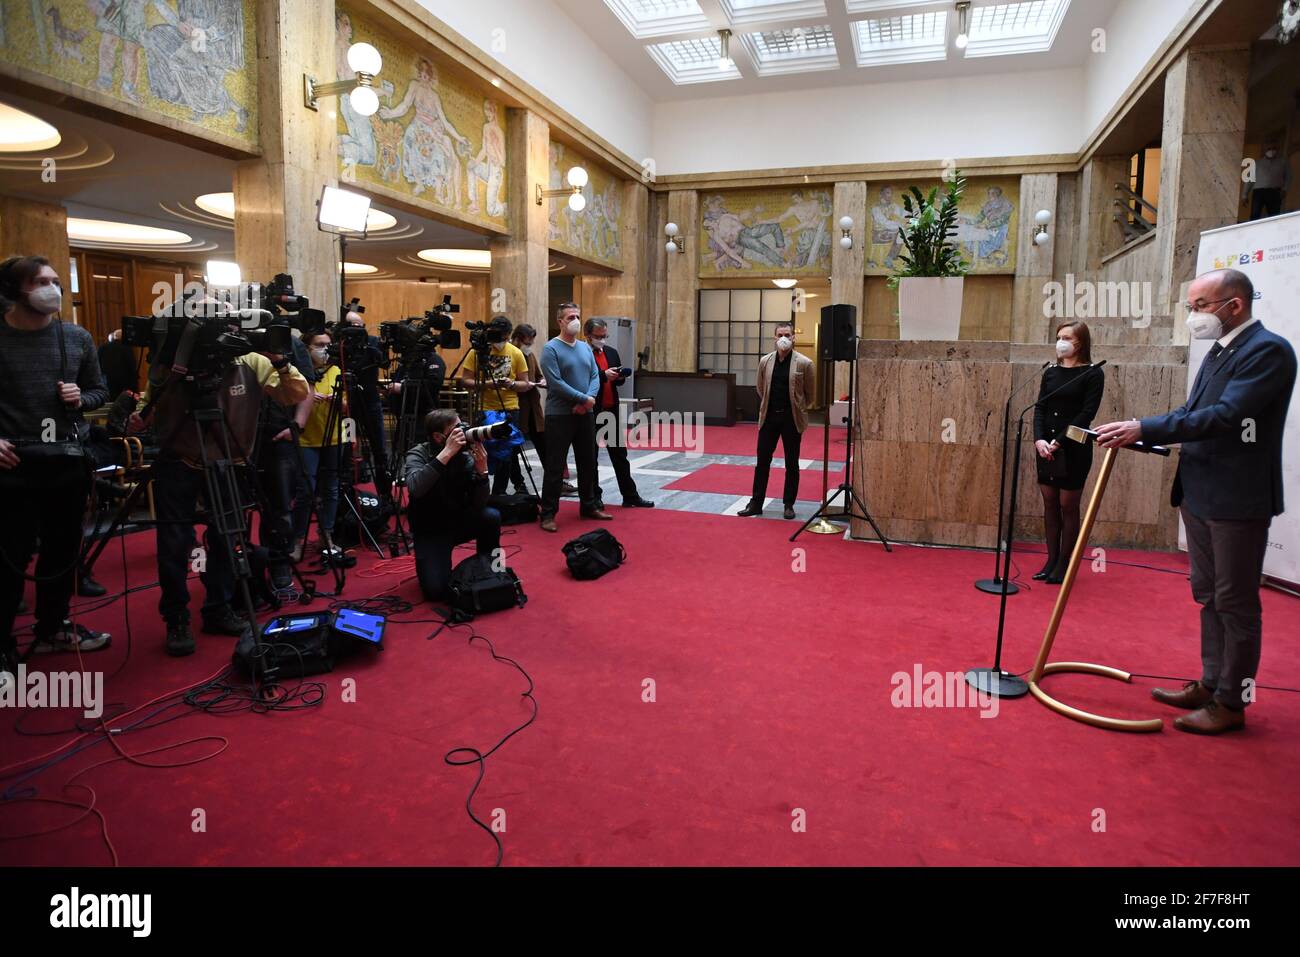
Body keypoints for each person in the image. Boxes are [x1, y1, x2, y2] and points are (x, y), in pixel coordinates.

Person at [1097, 268, 1297, 735]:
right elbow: (1190, 414)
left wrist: (1146, 428)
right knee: (1209, 597)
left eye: (1200, 306)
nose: (1193, 316)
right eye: (1191, 306)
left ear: (1235, 306)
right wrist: (1139, 428)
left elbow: (1227, 417)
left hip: (1237, 499)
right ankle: (1211, 683)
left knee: (1236, 604)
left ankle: (1232, 703)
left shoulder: (1268, 351)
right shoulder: (1219, 350)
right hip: (1201, 493)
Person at [129, 306, 309, 657]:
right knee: (175, 542)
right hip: (179, 459)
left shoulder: (252, 360)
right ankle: (176, 617)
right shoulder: (174, 359)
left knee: (229, 538)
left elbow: (295, 394)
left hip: (230, 459)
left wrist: (281, 361)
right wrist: (145, 411)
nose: (227, 329)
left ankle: (219, 607)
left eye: (230, 321)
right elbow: (150, 408)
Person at [0, 256, 111, 689]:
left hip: (66, 461)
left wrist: (81, 398)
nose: (52, 289)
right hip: (13, 465)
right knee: (10, 556)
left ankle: (52, 627)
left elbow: (100, 391)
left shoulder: (76, 337)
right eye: (41, 282)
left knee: (64, 552)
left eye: (55, 281)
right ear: (15, 290)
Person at [1032, 321, 1104, 584]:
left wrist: (1059, 442)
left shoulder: (1093, 373)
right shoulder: (1050, 372)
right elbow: (1040, 408)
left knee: (1067, 505)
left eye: (1066, 337)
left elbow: (1086, 415)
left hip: (1074, 445)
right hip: (1045, 447)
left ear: (1080, 343)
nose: (1060, 341)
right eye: (1058, 337)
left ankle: (1065, 564)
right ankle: (1050, 560)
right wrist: (1039, 440)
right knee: (1049, 504)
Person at [405, 410, 502, 602]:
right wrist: (447, 453)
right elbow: (415, 487)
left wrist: (483, 473)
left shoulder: (464, 457)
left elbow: (479, 504)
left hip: (458, 521)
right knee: (435, 591)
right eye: (455, 430)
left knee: (491, 516)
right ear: (438, 437)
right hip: (431, 529)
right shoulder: (419, 453)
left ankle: (489, 568)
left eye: (462, 426)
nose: (462, 433)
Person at [538, 302, 610, 533]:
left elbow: (594, 376)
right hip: (560, 414)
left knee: (588, 461)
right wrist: (582, 399)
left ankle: (588, 505)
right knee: (555, 466)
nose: (575, 321)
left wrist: (588, 399)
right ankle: (548, 513)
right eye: (570, 317)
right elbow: (555, 383)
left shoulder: (584, 347)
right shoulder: (551, 348)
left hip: (585, 413)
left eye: (577, 316)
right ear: (560, 321)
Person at [738, 321, 816, 520]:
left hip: (792, 419)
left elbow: (810, 395)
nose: (784, 338)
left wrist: (797, 408)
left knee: (792, 463)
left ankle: (788, 504)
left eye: (787, 335)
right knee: (762, 461)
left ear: (793, 337)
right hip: (769, 417)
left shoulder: (805, 363)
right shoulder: (765, 361)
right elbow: (760, 388)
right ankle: (756, 503)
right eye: (780, 334)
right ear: (774, 337)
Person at [585, 318, 653, 509]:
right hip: (591, 411)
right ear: (588, 336)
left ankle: (630, 495)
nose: (602, 339)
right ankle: (594, 498)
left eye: (604, 335)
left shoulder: (611, 352)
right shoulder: (582, 353)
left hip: (610, 410)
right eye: (598, 336)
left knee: (620, 456)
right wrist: (603, 375)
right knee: (591, 457)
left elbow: (618, 383)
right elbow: (582, 380)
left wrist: (619, 376)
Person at [460, 315, 530, 495]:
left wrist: (511, 384)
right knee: (484, 450)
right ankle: (481, 489)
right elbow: (465, 380)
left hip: (509, 408)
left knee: (506, 452)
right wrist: (488, 385)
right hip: (485, 408)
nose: (502, 341)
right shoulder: (476, 353)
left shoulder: (515, 353)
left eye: (505, 337)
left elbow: (525, 384)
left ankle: (499, 492)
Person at [292, 331, 345, 561]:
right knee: (305, 491)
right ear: (306, 347)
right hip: (306, 439)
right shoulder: (297, 372)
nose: (324, 349)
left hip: (334, 437)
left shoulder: (336, 371)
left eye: (328, 345)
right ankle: (296, 539)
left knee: (331, 489)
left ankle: (327, 535)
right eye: (319, 344)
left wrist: (338, 400)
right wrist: (307, 399)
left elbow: (347, 407)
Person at [339, 309, 394, 505]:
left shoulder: (372, 342)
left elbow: (385, 364)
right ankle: (345, 495)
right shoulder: (341, 343)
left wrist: (378, 348)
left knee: (379, 448)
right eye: (353, 326)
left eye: (360, 326)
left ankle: (385, 495)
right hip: (348, 406)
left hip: (370, 404)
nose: (357, 330)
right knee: (346, 447)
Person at [98, 327, 138, 401]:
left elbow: (97, 365)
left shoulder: (103, 347)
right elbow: (132, 365)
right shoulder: (127, 348)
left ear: (114, 336)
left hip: (107, 380)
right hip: (124, 381)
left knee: (110, 402)